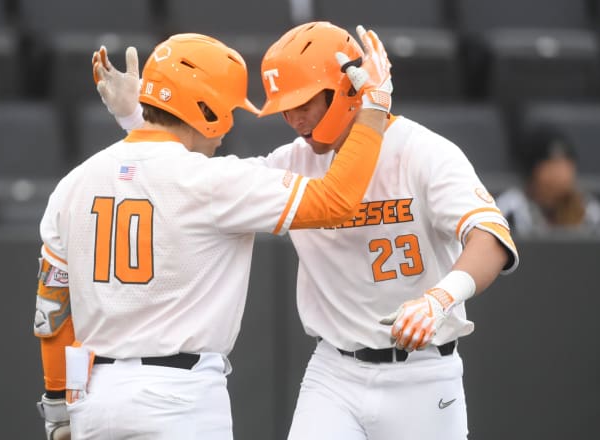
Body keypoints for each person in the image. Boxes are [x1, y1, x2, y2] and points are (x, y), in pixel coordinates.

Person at [93, 21, 519, 440]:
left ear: (348, 87)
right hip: (334, 372)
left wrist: (442, 297)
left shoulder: (424, 151)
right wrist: (140, 121)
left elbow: (491, 237)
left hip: (424, 373)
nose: (294, 119)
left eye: (304, 103)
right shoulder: (294, 160)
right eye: (285, 109)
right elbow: (195, 182)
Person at [34, 30, 393, 440]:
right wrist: (375, 107)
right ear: (206, 108)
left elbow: (52, 314)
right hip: (180, 399)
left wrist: (58, 408)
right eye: (228, 109)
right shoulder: (213, 181)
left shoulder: (73, 183)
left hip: (94, 400)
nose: (227, 128)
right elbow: (337, 200)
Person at [496, 125, 600, 235]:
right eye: (552, 164)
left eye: (566, 163)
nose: (561, 173)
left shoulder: (588, 210)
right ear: (533, 170)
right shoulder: (510, 209)